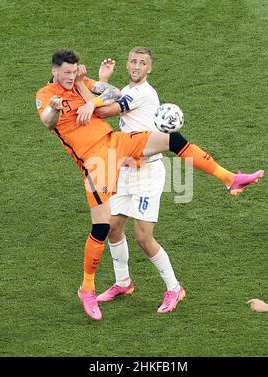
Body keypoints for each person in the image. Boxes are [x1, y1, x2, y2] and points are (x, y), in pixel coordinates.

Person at [36, 48, 264, 321]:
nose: (71, 77)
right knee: (102, 226)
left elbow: (113, 94)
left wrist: (92, 91)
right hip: (97, 162)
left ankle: (230, 179)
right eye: (67, 73)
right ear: (54, 71)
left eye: (74, 72)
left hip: (118, 143)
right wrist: (54, 108)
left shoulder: (81, 84)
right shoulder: (45, 96)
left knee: (172, 140)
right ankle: (87, 289)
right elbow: (48, 123)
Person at [77, 47, 185, 313]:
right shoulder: (127, 89)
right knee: (113, 227)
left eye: (143, 63)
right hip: (125, 170)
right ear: (128, 64)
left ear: (150, 69)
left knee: (142, 237)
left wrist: (82, 82)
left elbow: (102, 111)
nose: (137, 66)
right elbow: (110, 96)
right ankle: (123, 282)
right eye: (134, 61)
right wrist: (103, 80)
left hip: (147, 174)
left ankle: (174, 288)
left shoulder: (145, 93)